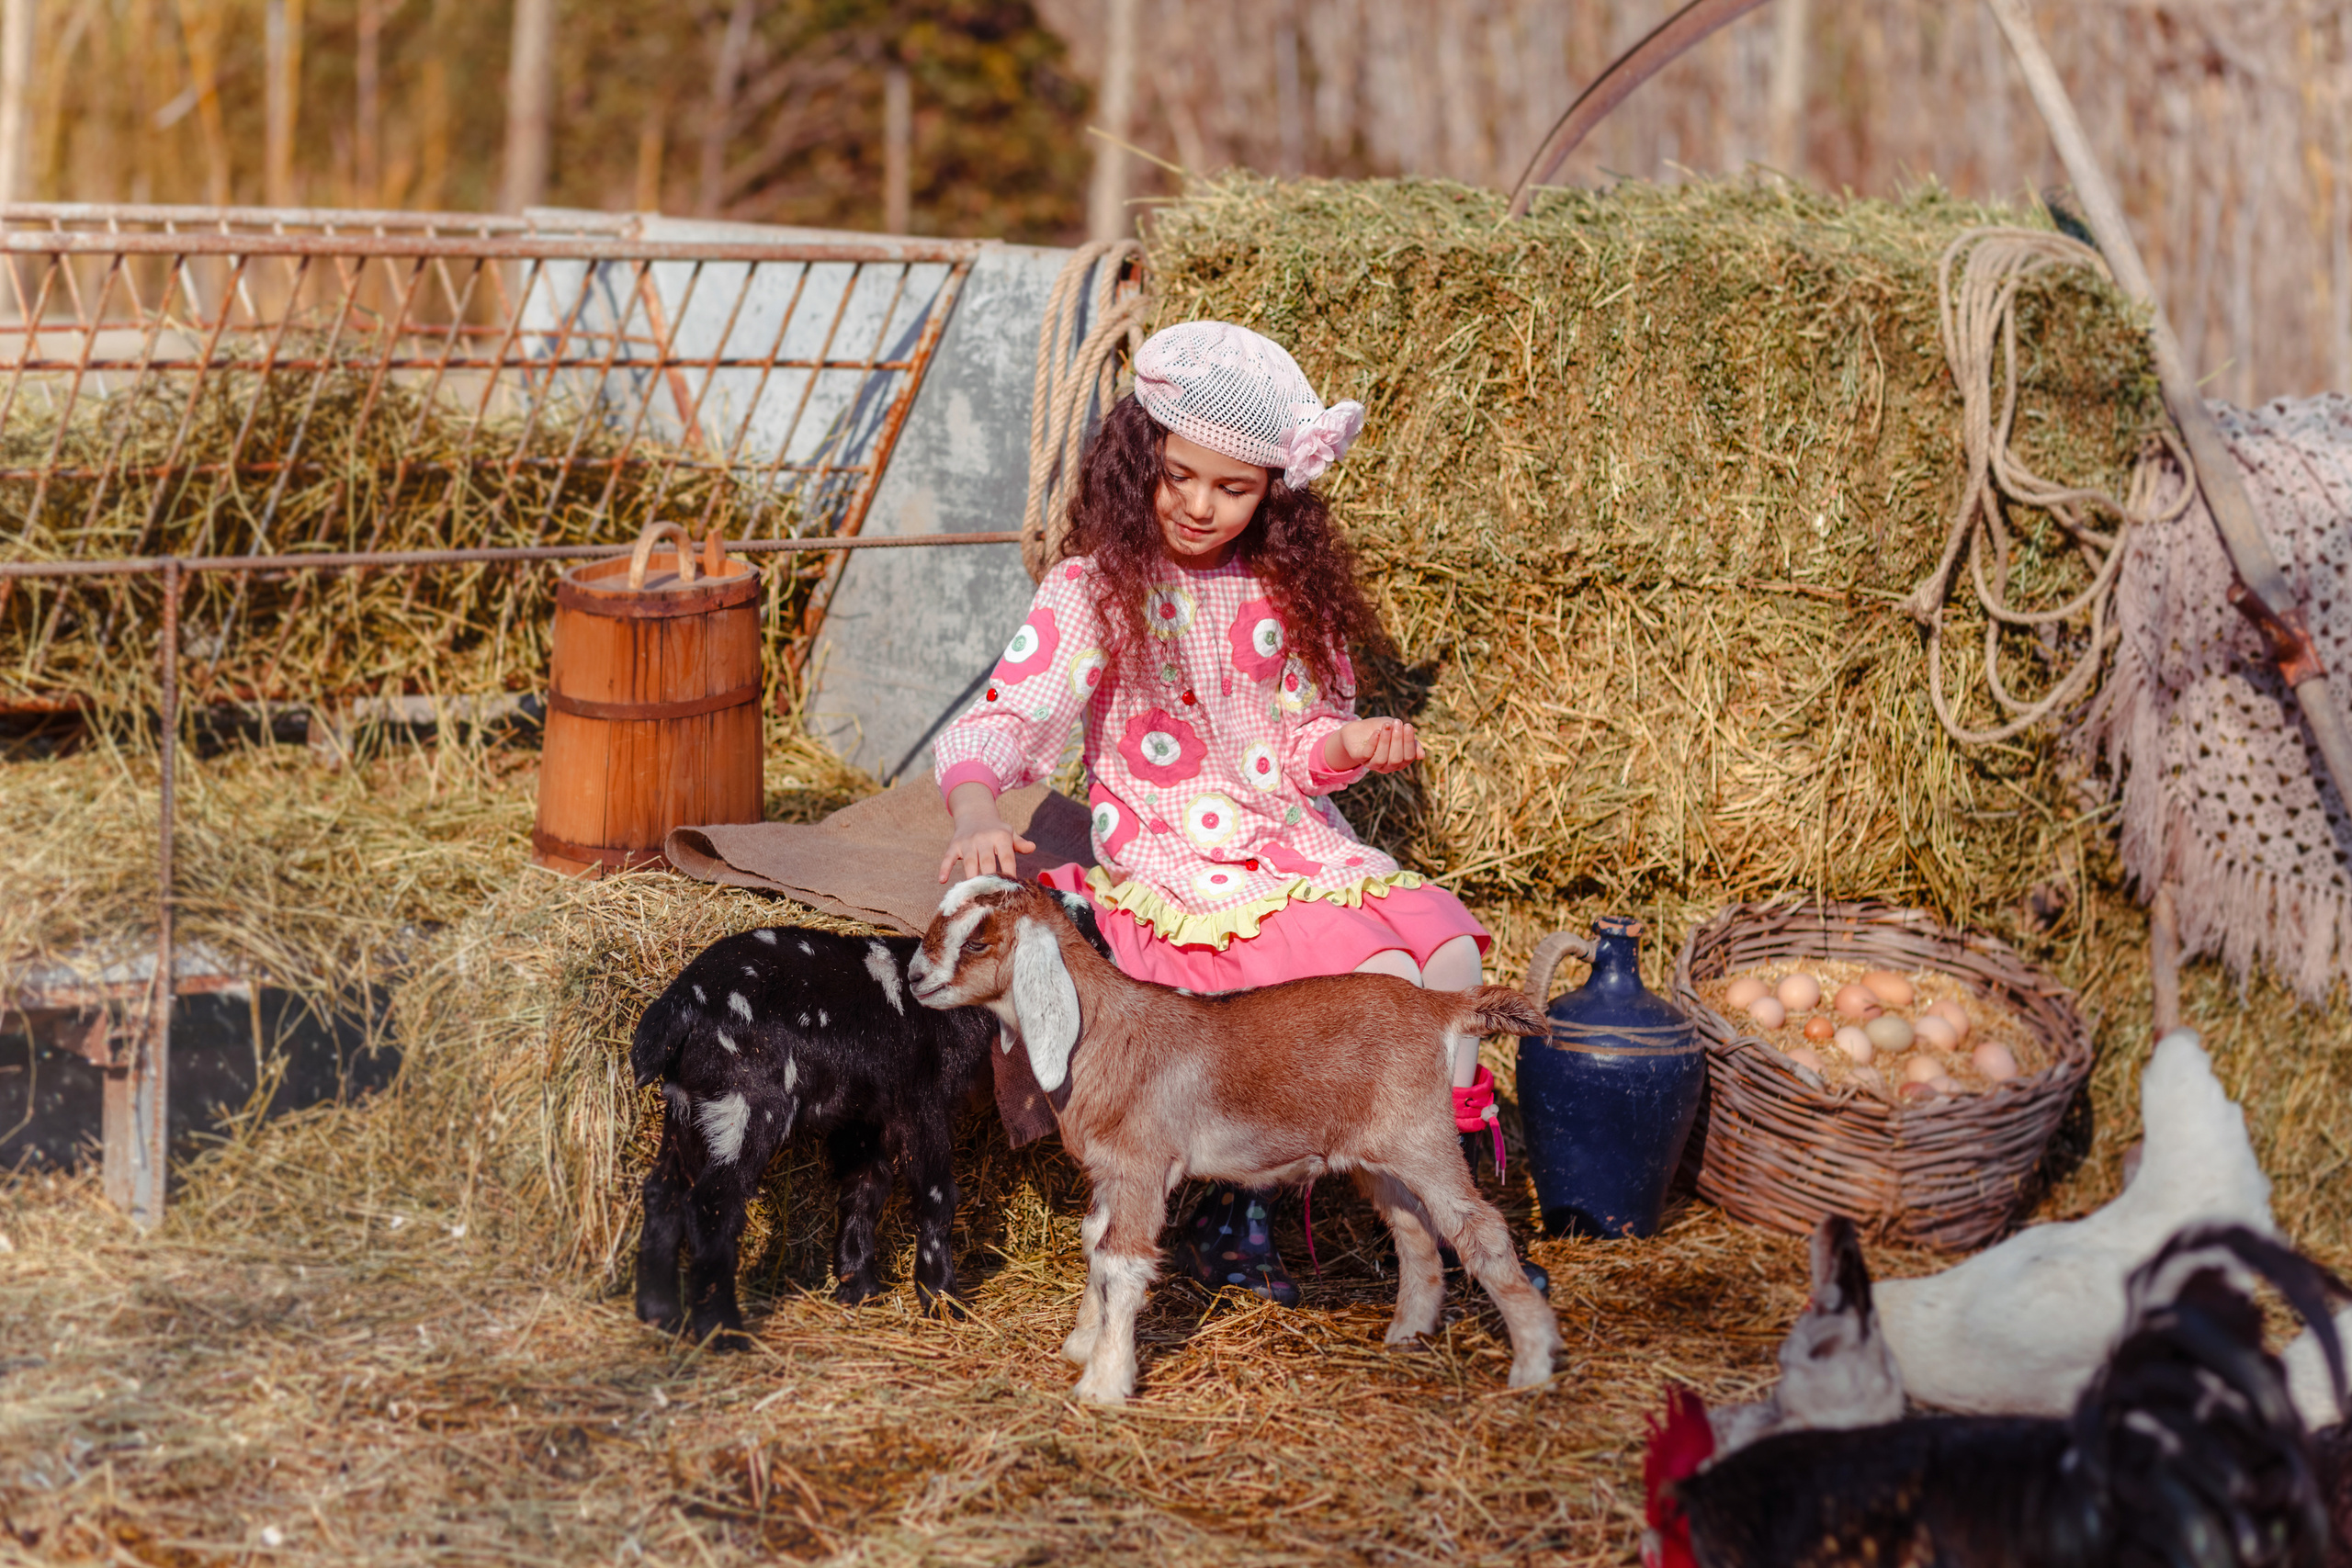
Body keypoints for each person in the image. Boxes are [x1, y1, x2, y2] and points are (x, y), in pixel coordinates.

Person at [933, 320, 1519, 1306]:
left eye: (1233, 488)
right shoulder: (1091, 590)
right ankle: (1242, 1206)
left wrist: (1349, 742)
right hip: (1172, 858)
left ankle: (1416, 1205)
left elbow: (1300, 745)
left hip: (1287, 841)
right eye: (1178, 477)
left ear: (1272, 495)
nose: (1200, 506)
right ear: (1138, 466)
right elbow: (1004, 718)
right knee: (1330, 978)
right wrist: (973, 812)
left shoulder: (1280, 592)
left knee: (1442, 964)